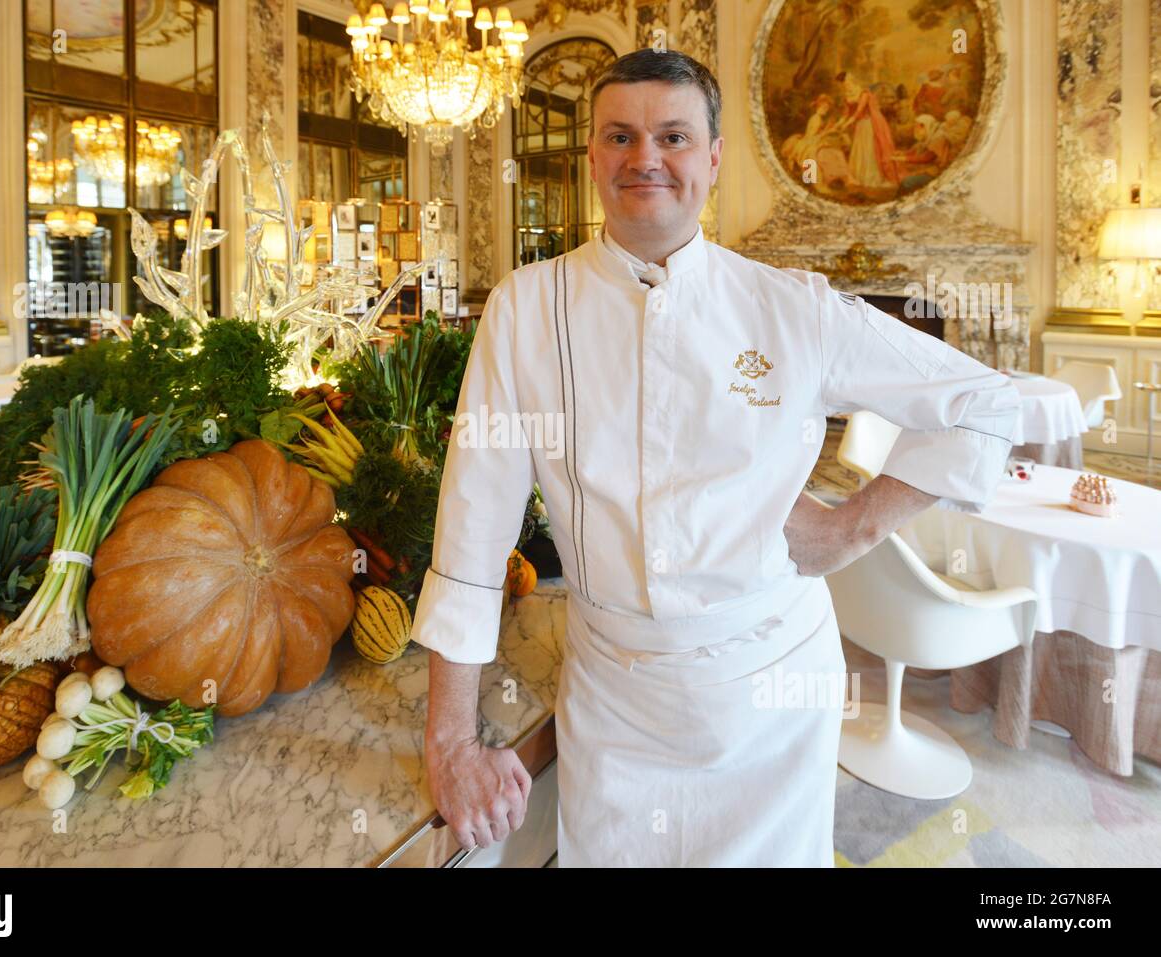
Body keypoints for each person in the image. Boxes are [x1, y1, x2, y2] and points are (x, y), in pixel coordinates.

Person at [413, 48, 1021, 867]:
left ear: (714, 157)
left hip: (770, 696)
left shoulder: (791, 308)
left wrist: (852, 530)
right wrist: (450, 740)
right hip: (614, 702)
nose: (646, 159)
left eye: (673, 136)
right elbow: (473, 529)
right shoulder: (524, 310)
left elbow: (985, 400)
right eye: (620, 137)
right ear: (592, 156)